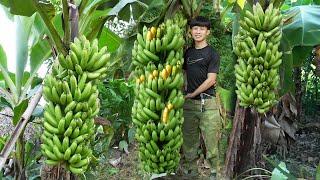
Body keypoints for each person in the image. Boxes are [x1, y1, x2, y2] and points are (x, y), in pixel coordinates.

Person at [181, 16, 222, 179]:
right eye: (195, 28)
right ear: (190, 31)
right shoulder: (188, 53)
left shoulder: (212, 53)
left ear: (207, 32)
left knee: (211, 140)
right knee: (189, 139)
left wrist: (192, 93)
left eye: (201, 29)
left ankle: (213, 172)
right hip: (189, 105)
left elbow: (211, 79)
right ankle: (192, 170)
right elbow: (184, 73)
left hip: (208, 103)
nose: (197, 31)